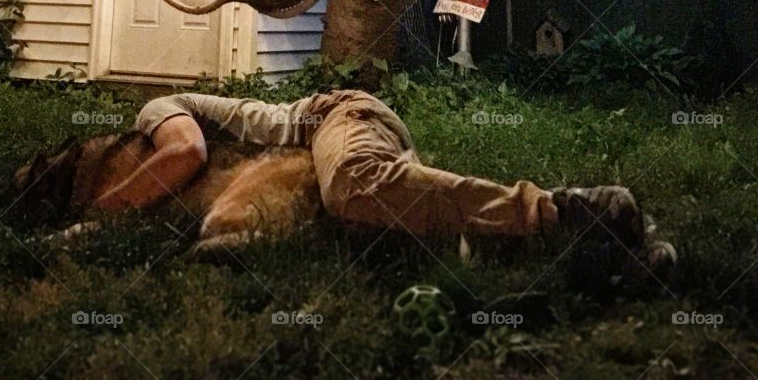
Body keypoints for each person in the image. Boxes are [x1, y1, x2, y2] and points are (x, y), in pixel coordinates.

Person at [93, 89, 675, 275]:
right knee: (410, 237)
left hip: (336, 118)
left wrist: (101, 214)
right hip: (325, 151)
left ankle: (564, 208)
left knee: (355, 186)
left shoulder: (157, 108)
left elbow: (184, 152)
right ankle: (612, 250)